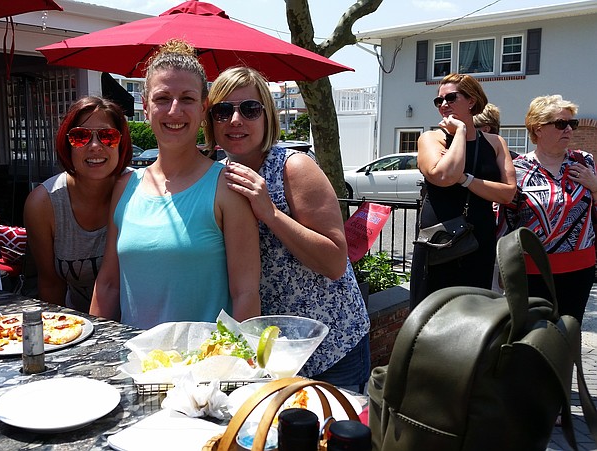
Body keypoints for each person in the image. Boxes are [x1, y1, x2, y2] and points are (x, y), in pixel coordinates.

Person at [204, 66, 371, 392]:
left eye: (249, 109)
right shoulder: (217, 177)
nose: (235, 120)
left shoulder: (293, 168)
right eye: (223, 111)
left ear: (267, 117)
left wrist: (270, 213)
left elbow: (336, 262)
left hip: (330, 348)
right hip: (268, 352)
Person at [90, 40, 261, 328]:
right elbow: (108, 285)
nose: (174, 110)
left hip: (204, 366)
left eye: (187, 99)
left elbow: (245, 294)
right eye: (162, 99)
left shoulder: (227, 188)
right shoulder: (125, 186)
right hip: (135, 361)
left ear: (204, 107)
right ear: (145, 108)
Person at [410, 73, 516, 309]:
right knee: (431, 313)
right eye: (439, 101)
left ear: (471, 101)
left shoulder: (495, 143)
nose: (443, 105)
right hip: (439, 239)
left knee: (473, 312)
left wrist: (466, 179)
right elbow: (443, 176)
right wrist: (458, 132)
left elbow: (508, 193)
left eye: (450, 98)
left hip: (478, 240)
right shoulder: (431, 138)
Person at [23, 96, 133, 312]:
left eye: (107, 136)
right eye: (80, 136)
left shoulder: (140, 190)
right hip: (79, 325)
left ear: (122, 143)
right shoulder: (43, 204)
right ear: (67, 143)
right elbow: (51, 283)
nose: (94, 146)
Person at [499, 95, 594, 323]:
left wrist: (595, 186)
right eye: (561, 124)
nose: (569, 130)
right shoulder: (518, 169)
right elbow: (506, 222)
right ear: (538, 128)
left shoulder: (584, 162)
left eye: (572, 124)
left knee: (568, 334)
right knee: (535, 337)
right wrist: (503, 268)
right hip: (532, 271)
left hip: (580, 268)